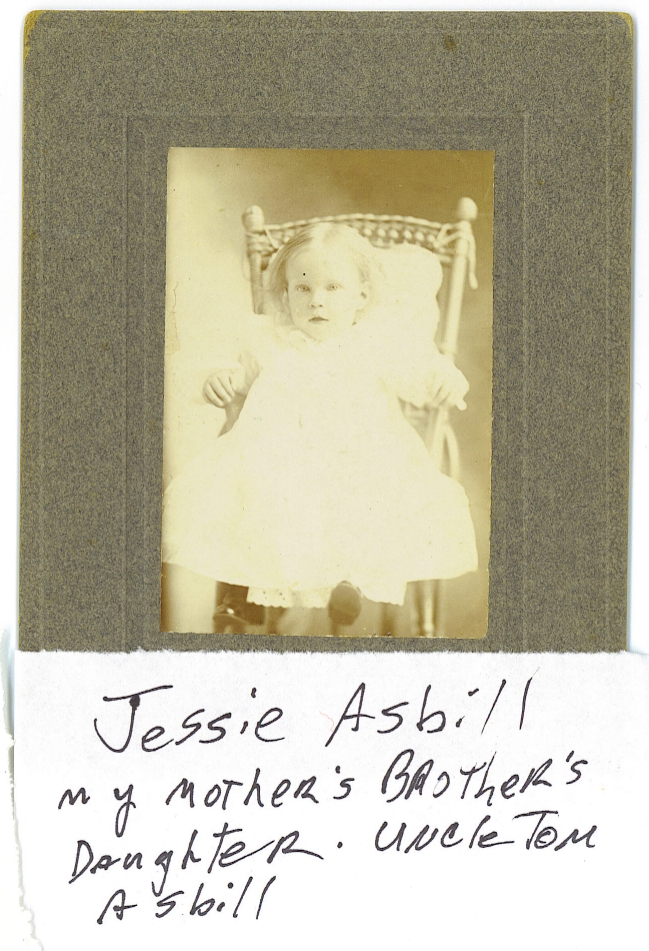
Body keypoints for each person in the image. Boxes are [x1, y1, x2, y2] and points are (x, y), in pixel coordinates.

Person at [162, 223, 478, 632]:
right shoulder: (268, 338)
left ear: (361, 296)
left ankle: (350, 583)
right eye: (303, 288)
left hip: (357, 458)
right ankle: (239, 595)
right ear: (286, 294)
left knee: (366, 498)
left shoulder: (376, 341)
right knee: (243, 491)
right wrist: (219, 378)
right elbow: (238, 373)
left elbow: (417, 372)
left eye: (332, 288)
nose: (317, 301)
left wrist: (441, 381)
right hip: (279, 462)